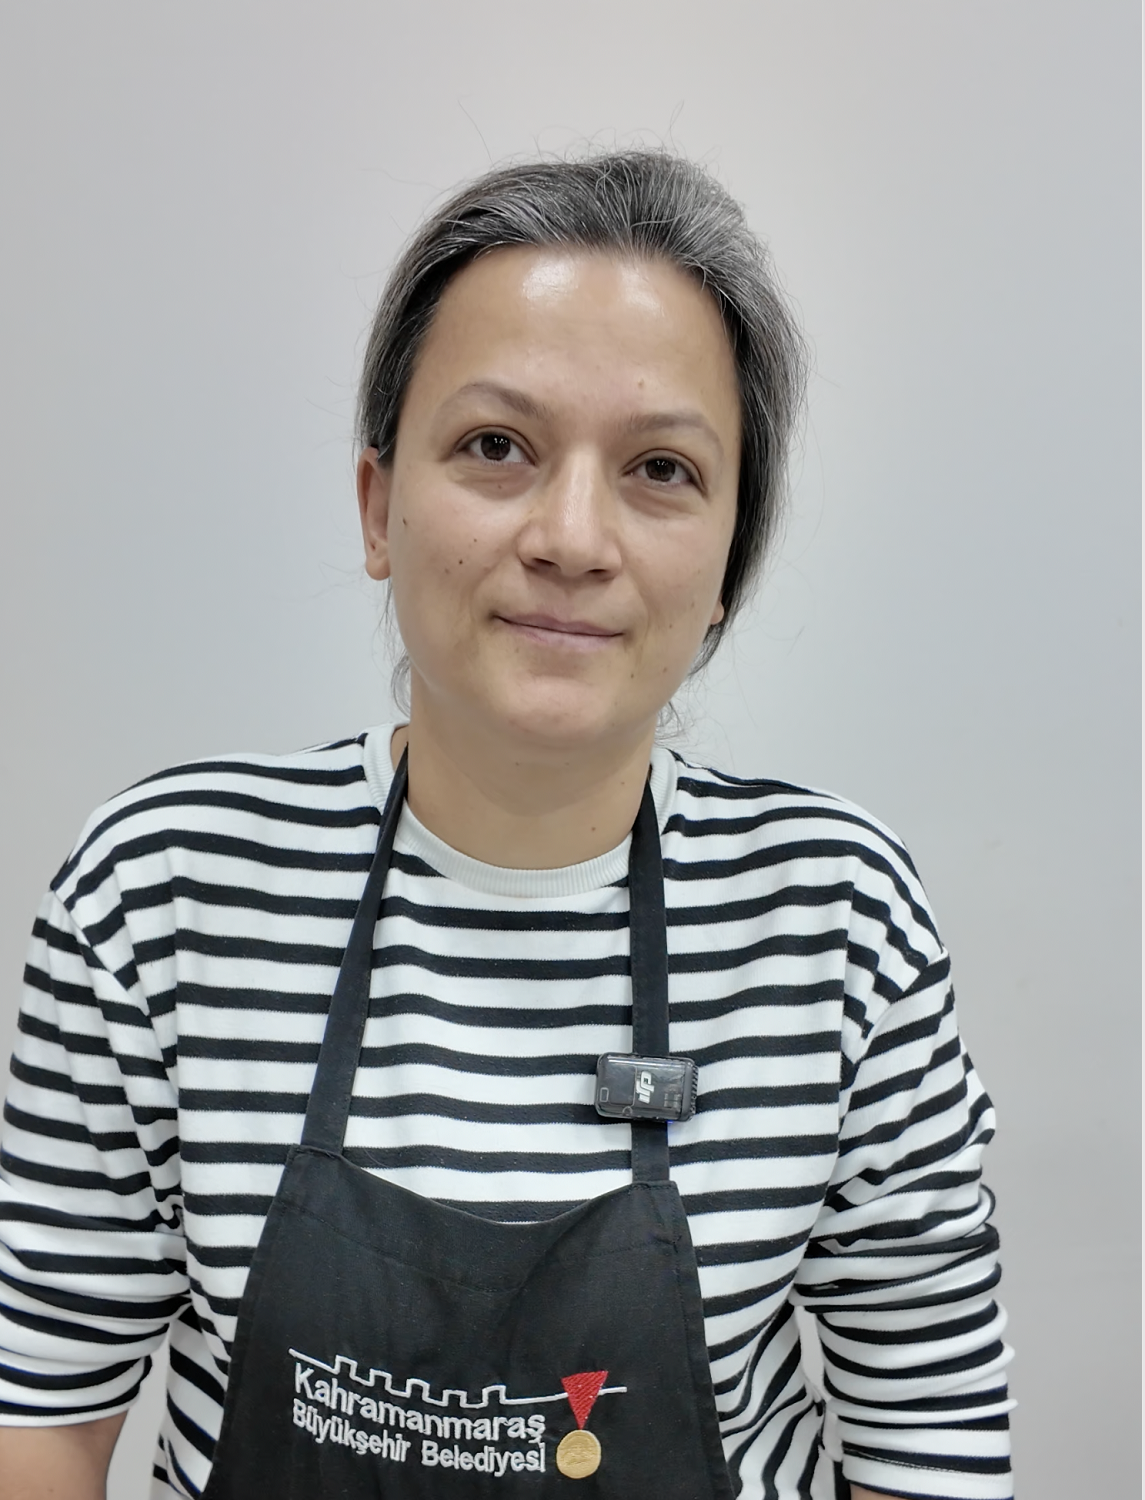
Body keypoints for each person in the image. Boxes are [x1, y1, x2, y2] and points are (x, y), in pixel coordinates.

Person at [0, 150, 1013, 1500]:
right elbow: (38, 1416)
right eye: (496, 447)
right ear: (378, 506)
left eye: (661, 468)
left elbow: (928, 1440)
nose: (572, 537)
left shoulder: (834, 919)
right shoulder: (163, 894)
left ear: (728, 561)